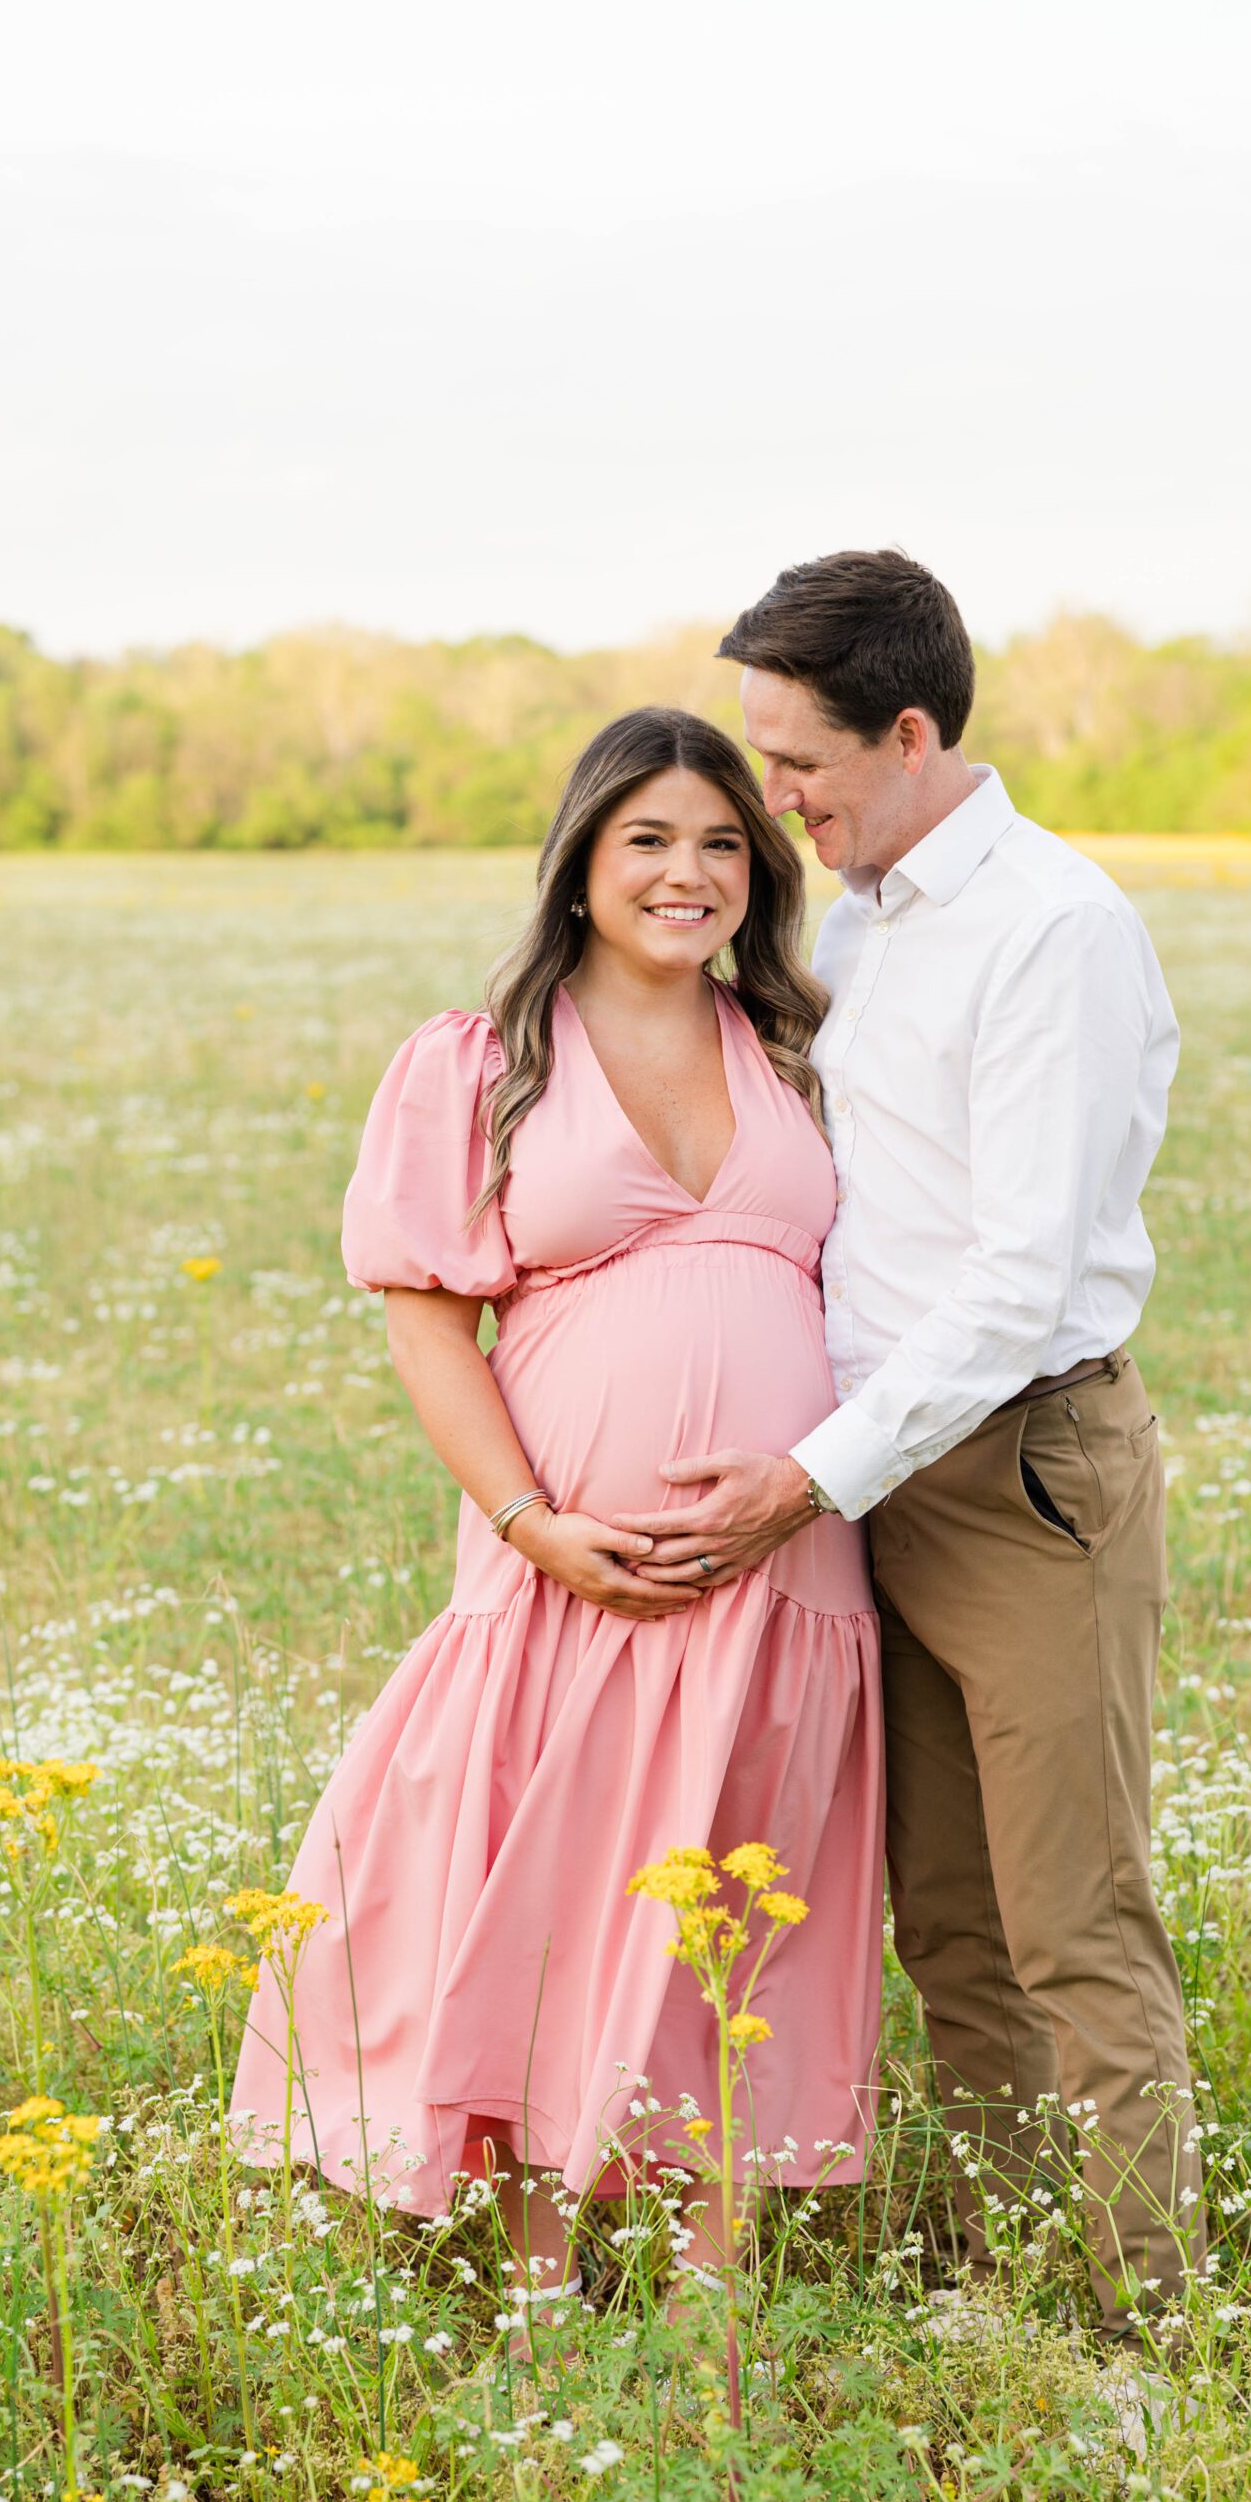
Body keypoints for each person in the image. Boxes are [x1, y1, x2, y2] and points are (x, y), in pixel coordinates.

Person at [228, 707, 883, 2343]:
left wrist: (800, 1477)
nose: (691, 872)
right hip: (566, 1567)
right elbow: (425, 1322)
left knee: (743, 1892)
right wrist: (531, 1522)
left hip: (785, 1560)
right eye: (649, 839)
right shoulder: (483, 1058)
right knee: (547, 1883)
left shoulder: (800, 1045)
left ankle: (712, 2294)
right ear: (583, 862)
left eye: (725, 841)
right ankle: (537, 2288)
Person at [623, 551, 1208, 2357]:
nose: (771, 801)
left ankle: (1140, 2335)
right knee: (949, 1920)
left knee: (1073, 1922)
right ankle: (1014, 2278)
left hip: (1020, 1470)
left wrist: (807, 1473)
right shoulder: (866, 910)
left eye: (797, 764)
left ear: (910, 729)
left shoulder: (1054, 928)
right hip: (874, 1476)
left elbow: (1022, 1275)